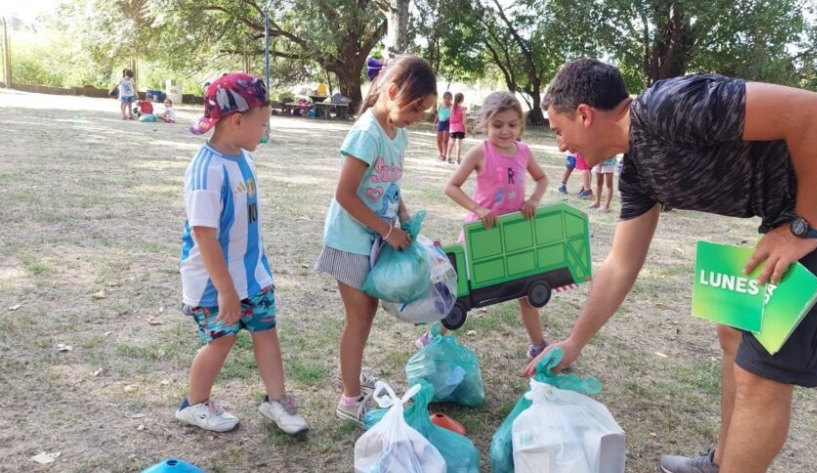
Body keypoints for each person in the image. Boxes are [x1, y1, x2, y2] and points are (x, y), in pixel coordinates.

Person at [526, 58, 817, 473]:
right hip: (791, 217)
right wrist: (574, 341)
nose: (561, 146)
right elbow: (621, 263)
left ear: (584, 115)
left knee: (760, 377)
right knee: (731, 327)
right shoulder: (637, 173)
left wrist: (804, 227)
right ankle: (721, 463)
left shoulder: (666, 106)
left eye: (559, 131)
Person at [177, 73, 309, 435]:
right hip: (214, 282)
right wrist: (226, 290)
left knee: (266, 330)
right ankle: (195, 404)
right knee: (223, 338)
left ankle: (276, 401)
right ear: (236, 121)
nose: (266, 132)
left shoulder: (242, 157)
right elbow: (204, 236)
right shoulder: (206, 171)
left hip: (252, 275)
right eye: (262, 123)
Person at [314, 55, 437, 426]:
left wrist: (402, 214)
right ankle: (350, 399)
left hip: (374, 241)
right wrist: (387, 231)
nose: (417, 117)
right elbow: (345, 194)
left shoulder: (397, 134)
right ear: (394, 92)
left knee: (364, 318)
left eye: (424, 111)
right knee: (360, 319)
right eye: (416, 108)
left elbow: (389, 184)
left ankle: (353, 376)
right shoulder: (367, 133)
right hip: (351, 242)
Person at [423, 91, 550, 359]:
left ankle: (539, 346)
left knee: (527, 290)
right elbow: (451, 187)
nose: (505, 131)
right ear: (485, 125)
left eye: (512, 124)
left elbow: (541, 179)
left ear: (521, 125)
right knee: (461, 290)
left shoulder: (524, 152)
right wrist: (478, 209)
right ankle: (431, 338)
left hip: (514, 234)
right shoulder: (480, 152)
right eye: (497, 125)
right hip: (481, 233)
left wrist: (534, 200)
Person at [446, 92, 467, 164]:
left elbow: (450, 119)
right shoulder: (462, 109)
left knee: (451, 142)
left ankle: (448, 158)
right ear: (462, 99)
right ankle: (458, 159)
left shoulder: (451, 108)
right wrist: (466, 130)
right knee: (458, 144)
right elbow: (464, 120)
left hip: (452, 128)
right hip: (460, 128)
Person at [435, 91, 453, 161]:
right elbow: (438, 115)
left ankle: (444, 155)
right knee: (438, 140)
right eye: (445, 98)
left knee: (445, 141)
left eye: (448, 98)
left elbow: (454, 116)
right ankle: (441, 153)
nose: (447, 100)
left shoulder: (452, 107)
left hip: (448, 124)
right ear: (443, 98)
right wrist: (435, 122)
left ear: (451, 99)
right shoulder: (441, 105)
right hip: (441, 123)